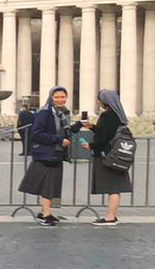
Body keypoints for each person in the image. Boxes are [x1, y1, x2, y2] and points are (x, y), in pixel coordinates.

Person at [19, 86, 82, 225]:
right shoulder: (45, 113)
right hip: (47, 153)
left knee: (51, 184)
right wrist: (58, 140)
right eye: (57, 97)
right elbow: (37, 133)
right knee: (48, 184)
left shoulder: (62, 113)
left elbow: (64, 131)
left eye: (63, 97)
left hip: (56, 153)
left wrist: (78, 126)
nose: (60, 100)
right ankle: (46, 215)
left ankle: (44, 213)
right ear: (51, 98)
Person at [88, 89, 133, 226]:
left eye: (99, 99)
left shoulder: (107, 115)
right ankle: (112, 215)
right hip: (117, 155)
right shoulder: (118, 116)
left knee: (112, 187)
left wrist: (91, 145)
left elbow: (104, 137)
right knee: (115, 187)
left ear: (104, 101)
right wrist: (93, 127)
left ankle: (110, 217)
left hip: (108, 155)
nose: (98, 102)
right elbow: (108, 133)